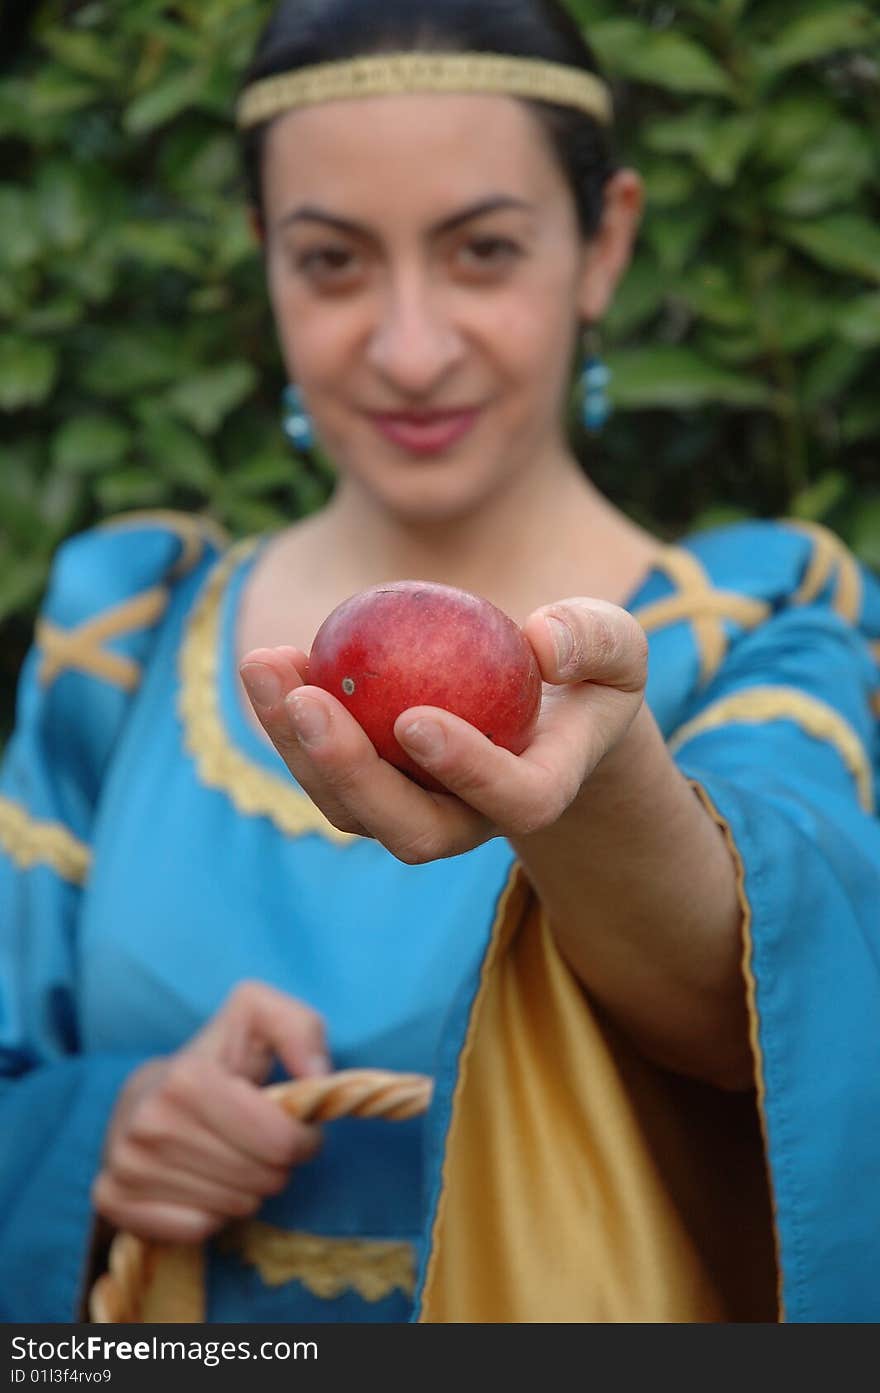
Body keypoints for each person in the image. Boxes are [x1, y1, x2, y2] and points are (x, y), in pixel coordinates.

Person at [1, 0, 879, 1325]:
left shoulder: (759, 623)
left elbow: (783, 1025)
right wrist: (98, 1132)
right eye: (333, 262)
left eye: (483, 252)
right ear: (263, 260)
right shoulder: (117, 636)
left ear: (606, 243)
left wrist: (602, 793)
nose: (410, 348)